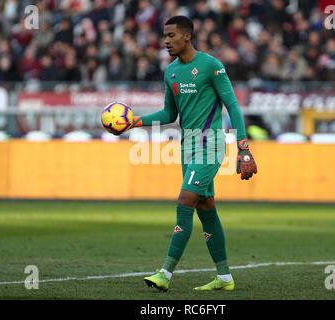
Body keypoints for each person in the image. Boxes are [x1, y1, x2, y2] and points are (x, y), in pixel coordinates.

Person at [124, 16, 257, 291]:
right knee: (206, 210)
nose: (165, 41)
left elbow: (233, 106)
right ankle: (224, 277)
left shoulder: (211, 66)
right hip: (187, 147)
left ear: (187, 36)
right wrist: (134, 122)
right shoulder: (170, 71)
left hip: (211, 144)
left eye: (171, 35)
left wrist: (243, 147)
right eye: (164, 36)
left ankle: (165, 273)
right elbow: (169, 114)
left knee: (185, 201)